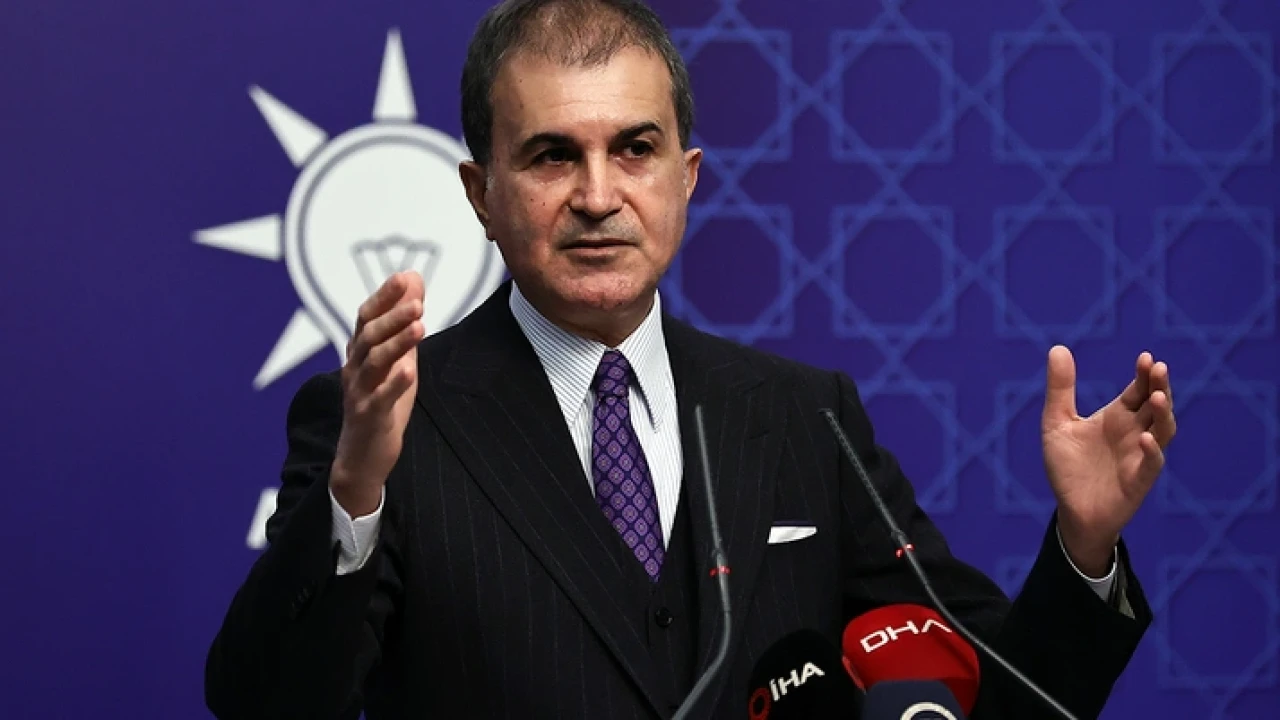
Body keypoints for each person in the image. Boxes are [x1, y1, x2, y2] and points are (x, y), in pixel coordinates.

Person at [204, 0, 1177, 717]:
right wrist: (355, 495)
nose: (597, 196)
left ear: (686, 177)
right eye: (551, 155)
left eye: (634, 149)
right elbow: (264, 703)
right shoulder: (379, 425)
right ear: (480, 193)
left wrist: (1082, 547)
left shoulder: (806, 417)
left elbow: (999, 701)